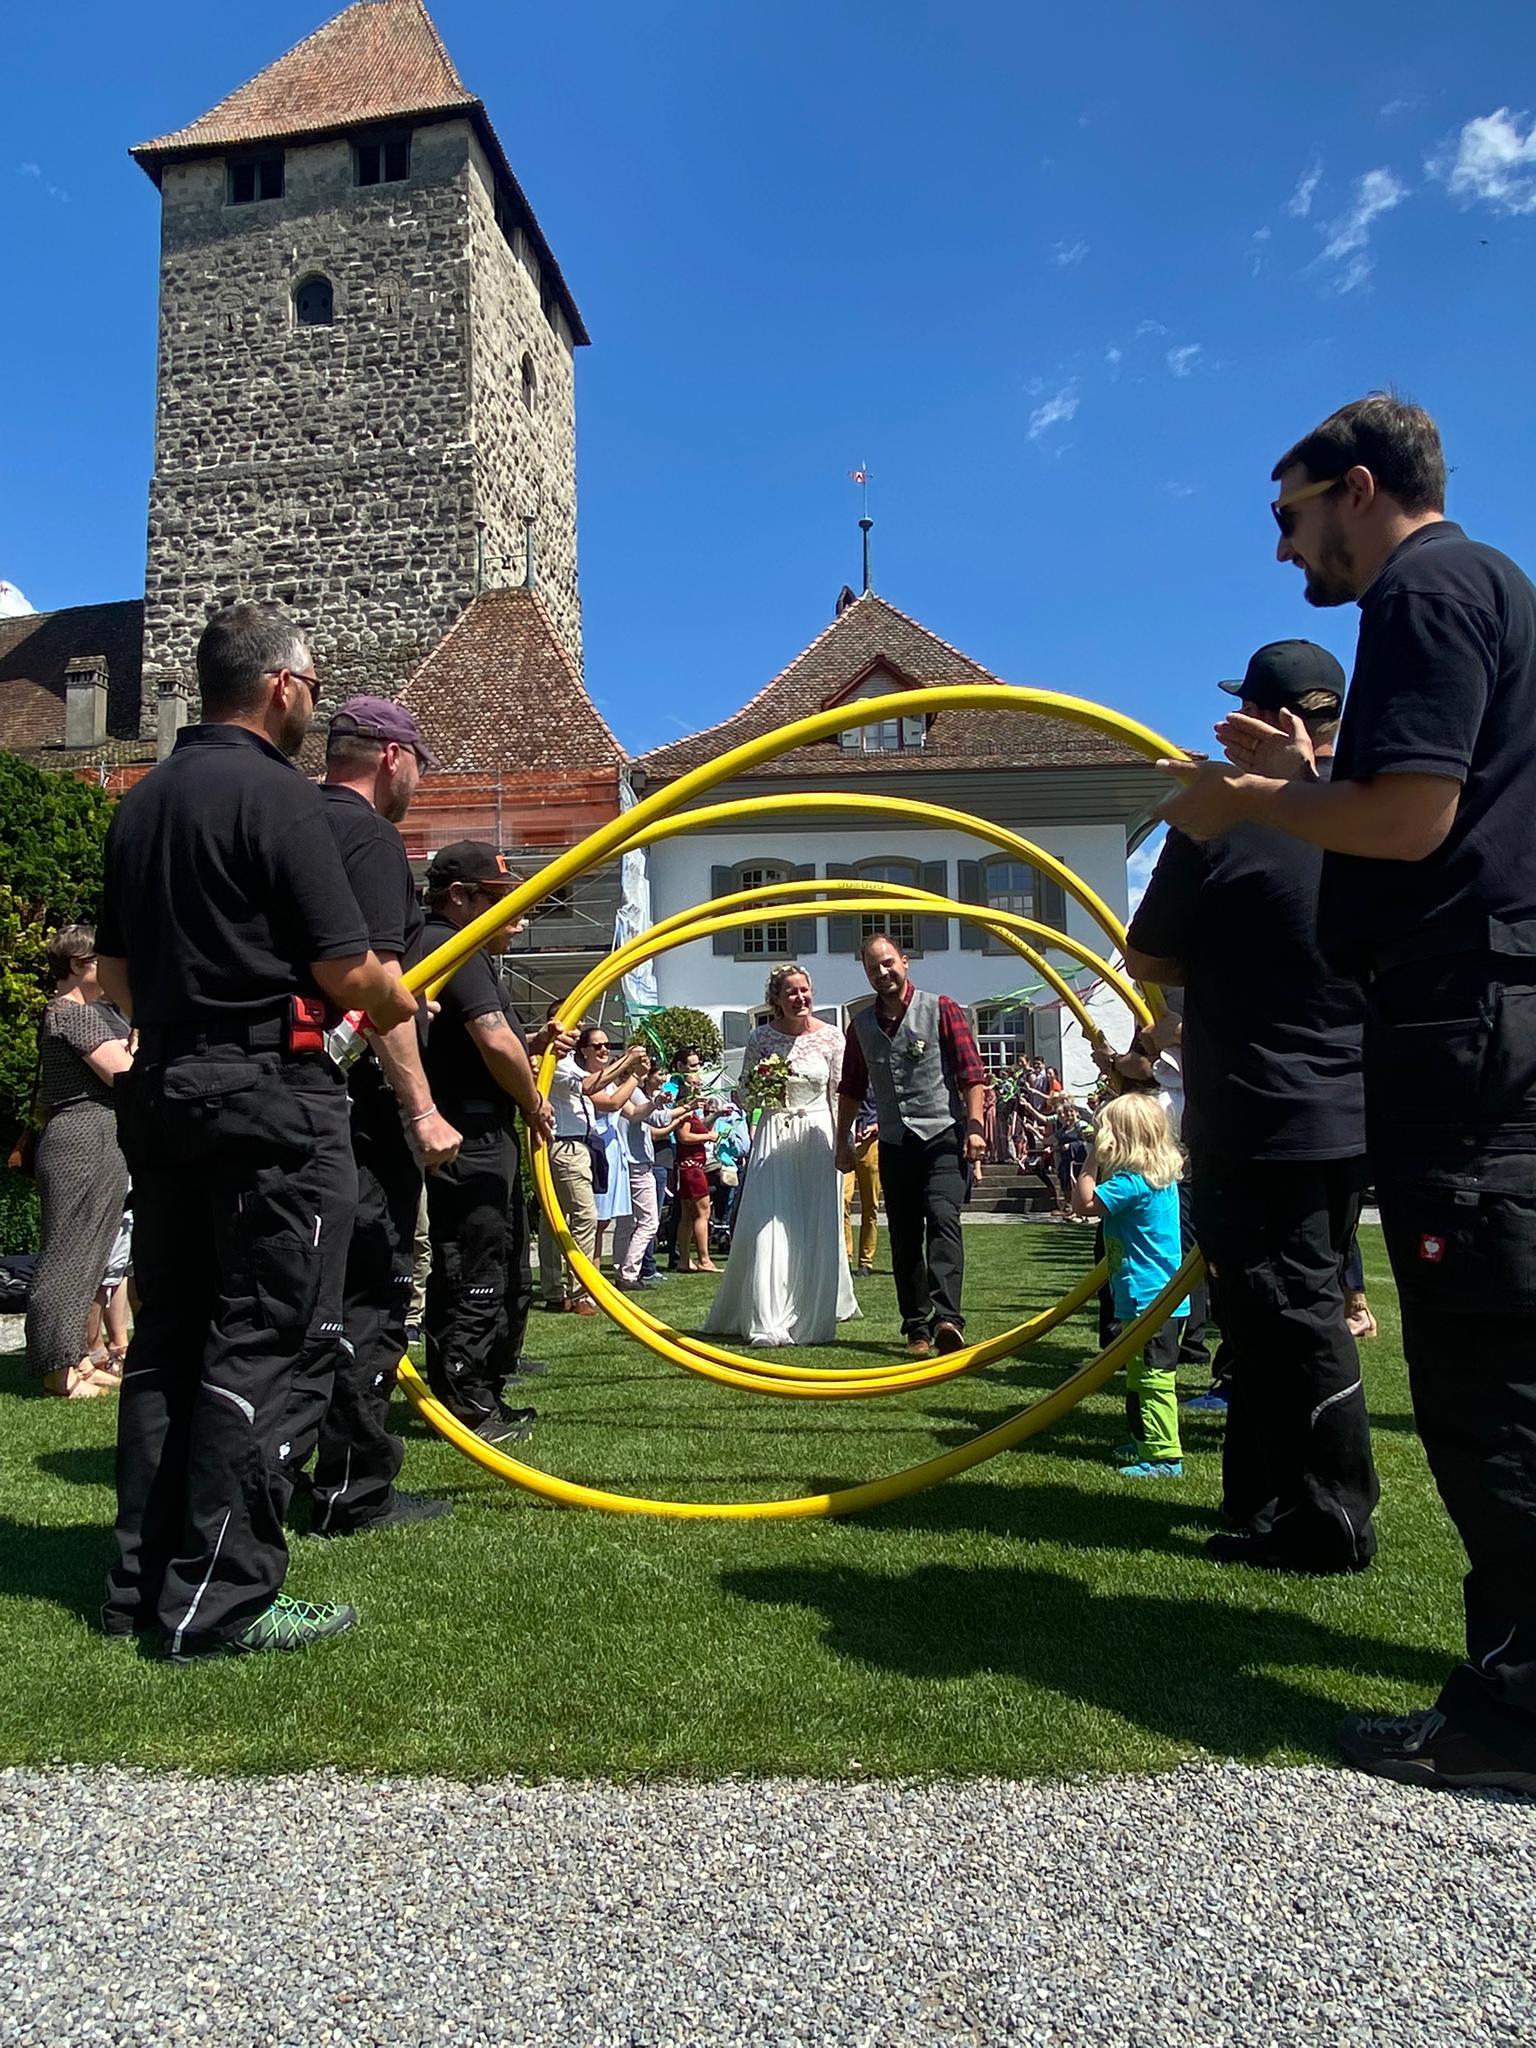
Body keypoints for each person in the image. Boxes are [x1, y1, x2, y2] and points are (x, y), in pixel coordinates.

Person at [1158, 392, 1536, 1792]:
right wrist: (1309, 773)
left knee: (1487, 1380)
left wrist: (1242, 807)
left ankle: (1513, 1716)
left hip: (1462, 1024)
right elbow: (1427, 797)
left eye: (1290, 514)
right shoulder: (1487, 586)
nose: (1282, 550)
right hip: (1473, 1016)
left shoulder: (1425, 593)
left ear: (1358, 488)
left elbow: (1413, 821)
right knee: (1495, 1358)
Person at [96, 600, 417, 1659]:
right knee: (272, 1334)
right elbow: (344, 966)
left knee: (170, 1340)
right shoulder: (283, 801)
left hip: (167, 1088)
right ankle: (222, 1598)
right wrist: (391, 991)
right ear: (281, 686)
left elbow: (113, 978)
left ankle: (141, 1584)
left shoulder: (139, 805)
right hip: (272, 1096)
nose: (313, 704)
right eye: (314, 688)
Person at [1128, 640, 1379, 1574]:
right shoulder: (1370, 815)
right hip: (1344, 1111)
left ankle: (1328, 1521)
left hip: (1258, 1109)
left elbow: (1147, 958)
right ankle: (1270, 1502)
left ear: (1264, 724)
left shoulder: (1226, 826)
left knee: (1287, 1315)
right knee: (1275, 1313)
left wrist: (1201, 835)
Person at [301, 696, 462, 1534]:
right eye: (420, 766)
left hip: (296, 1095)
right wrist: (421, 1108)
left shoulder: (292, 821)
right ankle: (354, 1488)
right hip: (358, 1108)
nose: (418, 783)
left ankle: (298, 1470)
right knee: (371, 1286)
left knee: (306, 1292)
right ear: (393, 758)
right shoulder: (366, 839)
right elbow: (372, 990)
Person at [419, 841, 552, 1440]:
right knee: (476, 1261)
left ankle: (481, 1381)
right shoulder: (454, 953)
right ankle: (466, 1397)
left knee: (493, 1254)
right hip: (469, 1132)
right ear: (459, 898)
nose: (513, 914)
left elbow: (497, 1043)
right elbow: (493, 1041)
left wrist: (534, 1048)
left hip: (477, 1125)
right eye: (499, 900)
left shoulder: (460, 954)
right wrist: (532, 1100)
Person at [836, 935, 988, 1359]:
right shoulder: (861, 1025)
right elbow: (850, 1088)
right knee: (903, 1236)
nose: (882, 973)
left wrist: (974, 1127)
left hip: (943, 1135)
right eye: (872, 968)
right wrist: (842, 1140)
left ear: (905, 961)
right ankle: (916, 1327)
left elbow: (971, 1073)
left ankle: (948, 1319)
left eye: (888, 963)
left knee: (943, 1219)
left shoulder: (942, 1008)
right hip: (895, 1141)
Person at [706, 965, 860, 1345]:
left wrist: (845, 1142)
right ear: (776, 999)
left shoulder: (832, 1038)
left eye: (804, 990)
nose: (800, 998)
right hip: (775, 1132)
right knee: (769, 1225)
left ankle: (812, 1311)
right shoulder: (760, 1038)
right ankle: (767, 1315)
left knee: (815, 1222)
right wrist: (764, 1086)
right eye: (790, 992)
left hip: (819, 1133)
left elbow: (842, 1095)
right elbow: (746, 1094)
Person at [24, 925, 133, 1399]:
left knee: (90, 1258)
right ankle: (57, 1370)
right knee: (67, 1258)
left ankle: (77, 1358)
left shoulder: (78, 1012)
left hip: (94, 1138)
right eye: (98, 963)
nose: (107, 973)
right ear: (75, 966)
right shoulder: (72, 1013)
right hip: (80, 1139)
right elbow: (122, 1073)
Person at [1070, 1092, 1190, 1478]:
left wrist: (1090, 1162)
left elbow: (1083, 1205)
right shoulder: (1159, 1176)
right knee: (1141, 1373)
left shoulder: (1131, 1182)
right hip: (1152, 1295)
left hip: (1148, 1298)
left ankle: (1165, 1456)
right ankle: (1145, 1441)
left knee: (1153, 1377)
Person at [540, 1024, 649, 1309]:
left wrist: (633, 1075)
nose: (604, 1050)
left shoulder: (576, 1069)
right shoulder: (558, 1066)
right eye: (597, 1045)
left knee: (560, 1220)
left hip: (582, 1146)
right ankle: (578, 1293)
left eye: (607, 1045)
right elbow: (594, 1089)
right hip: (567, 1146)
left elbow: (609, 1099)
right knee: (584, 1217)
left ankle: (559, 1292)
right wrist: (627, 1062)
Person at [843, 1082, 881, 1276]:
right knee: (843, 1201)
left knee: (870, 1204)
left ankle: (866, 1261)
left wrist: (876, 1126)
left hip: (871, 1142)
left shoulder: (878, 1073)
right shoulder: (846, 1072)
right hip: (847, 1141)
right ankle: (846, 1257)